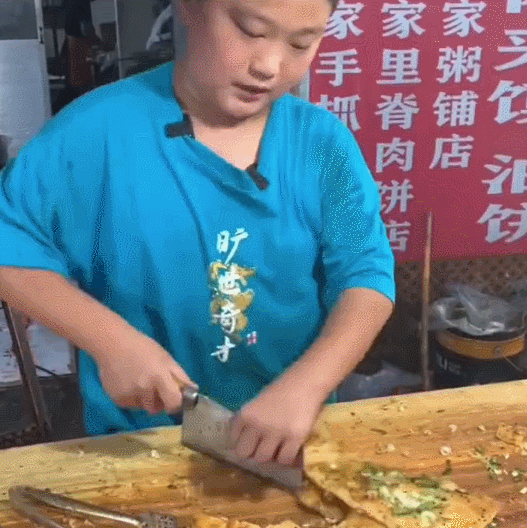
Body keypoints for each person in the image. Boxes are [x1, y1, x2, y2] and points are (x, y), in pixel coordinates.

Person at [0, 0, 395, 466]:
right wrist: (110, 341)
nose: (269, 66)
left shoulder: (322, 143)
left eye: (301, 44)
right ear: (189, 8)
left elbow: (365, 276)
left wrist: (306, 386)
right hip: (140, 444)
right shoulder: (95, 132)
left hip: (288, 439)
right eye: (250, 30)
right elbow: (10, 242)